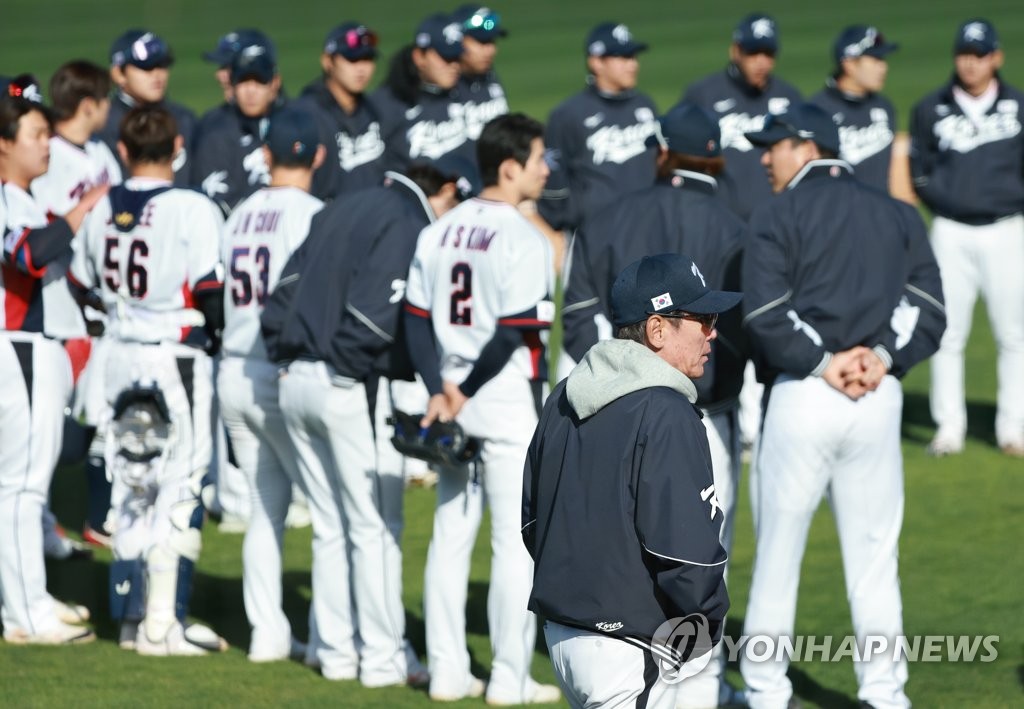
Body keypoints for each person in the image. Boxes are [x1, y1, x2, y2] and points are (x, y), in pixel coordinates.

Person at [739, 103, 946, 709]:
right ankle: (885, 695)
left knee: (777, 558)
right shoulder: (897, 213)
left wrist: (825, 362)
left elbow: (762, 314)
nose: (763, 157)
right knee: (875, 560)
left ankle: (765, 692)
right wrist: (879, 358)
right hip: (877, 398)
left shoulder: (775, 214)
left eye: (772, 146)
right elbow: (931, 308)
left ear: (806, 148)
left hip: (803, 396)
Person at [560, 101, 747, 709]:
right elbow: (749, 330)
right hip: (707, 414)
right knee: (700, 552)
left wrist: (613, 381)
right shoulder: (735, 222)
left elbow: (574, 314)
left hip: (600, 414)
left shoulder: (607, 215)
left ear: (661, 150)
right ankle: (701, 688)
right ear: (715, 154)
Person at [261, 156, 474, 685]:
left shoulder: (343, 205)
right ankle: (382, 660)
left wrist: (289, 360)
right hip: (345, 387)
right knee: (375, 527)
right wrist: (347, 370)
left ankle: (334, 653)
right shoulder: (407, 221)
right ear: (444, 189)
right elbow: (373, 318)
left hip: (294, 382)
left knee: (332, 527)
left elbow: (282, 293)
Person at [524, 253, 736, 709]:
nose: (712, 332)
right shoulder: (667, 412)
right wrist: (708, 623)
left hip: (561, 635)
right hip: (629, 648)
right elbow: (685, 554)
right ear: (658, 329)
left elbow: (532, 521)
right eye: (703, 319)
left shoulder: (565, 394)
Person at [403, 113, 560, 705]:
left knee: (450, 533)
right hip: (499, 402)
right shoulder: (524, 237)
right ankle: (508, 678)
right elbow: (512, 335)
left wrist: (439, 389)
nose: (546, 170)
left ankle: (446, 674)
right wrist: (464, 390)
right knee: (513, 544)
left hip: (448, 400)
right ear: (510, 166)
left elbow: (415, 319)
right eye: (540, 159)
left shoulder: (439, 229)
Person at [68, 105, 227, 656]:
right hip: (174, 357)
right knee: (179, 486)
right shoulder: (192, 207)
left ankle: (131, 619)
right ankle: (164, 624)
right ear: (177, 147)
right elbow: (210, 290)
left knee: (130, 487)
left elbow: (80, 284)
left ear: (124, 150)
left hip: (116, 359)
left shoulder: (100, 207)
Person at [218, 106, 324, 663]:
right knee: (331, 510)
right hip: (279, 372)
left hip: (231, 370)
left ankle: (267, 634)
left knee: (264, 509)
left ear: (266, 156)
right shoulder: (314, 213)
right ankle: (330, 641)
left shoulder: (238, 215)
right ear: (320, 157)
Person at [0, 95, 107, 645]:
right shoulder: (4, 200)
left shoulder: (21, 197)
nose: (48, 143)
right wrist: (84, 207)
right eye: (36, 133)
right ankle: (24, 616)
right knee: (20, 488)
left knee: (24, 488)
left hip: (29, 349)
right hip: (16, 347)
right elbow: (28, 256)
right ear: (3, 142)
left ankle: (31, 598)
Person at [910, 18, 1024, 457]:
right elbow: (918, 169)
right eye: (964, 55)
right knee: (947, 333)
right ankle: (949, 428)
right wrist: (945, 202)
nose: (971, 64)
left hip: (1006, 229)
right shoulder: (930, 108)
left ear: (996, 57)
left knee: (1012, 334)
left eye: (979, 56)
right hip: (951, 231)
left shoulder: (1018, 105)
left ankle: (1011, 428)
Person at [30, 60, 123, 553]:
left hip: (99, 312)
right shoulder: (50, 158)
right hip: (58, 312)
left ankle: (99, 515)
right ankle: (40, 522)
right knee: (48, 432)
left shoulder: (101, 152)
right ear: (90, 104)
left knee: (103, 415)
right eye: (105, 100)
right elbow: (45, 236)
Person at [538, 22, 658, 231]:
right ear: (596, 62)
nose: (633, 65)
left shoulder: (645, 105)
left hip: (647, 227)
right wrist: (562, 221)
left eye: (633, 57)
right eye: (622, 57)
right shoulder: (567, 114)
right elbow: (554, 180)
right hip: (595, 234)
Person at [683, 13, 803, 221]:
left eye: (768, 54)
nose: (761, 62)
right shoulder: (703, 95)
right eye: (753, 52)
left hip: (777, 222)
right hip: (719, 222)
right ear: (735, 51)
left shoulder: (790, 98)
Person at [371, 14, 473, 173]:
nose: (454, 66)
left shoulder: (463, 90)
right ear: (419, 57)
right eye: (446, 57)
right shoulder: (386, 104)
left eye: (457, 57)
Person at [296, 21, 386, 200]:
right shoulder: (306, 115)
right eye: (352, 59)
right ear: (327, 61)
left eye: (367, 59)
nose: (361, 69)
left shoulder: (374, 109)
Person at [193, 37, 284, 212]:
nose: (251, 91)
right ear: (233, 85)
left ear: (274, 83)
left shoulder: (292, 126)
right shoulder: (215, 134)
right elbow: (219, 203)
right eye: (243, 82)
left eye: (259, 81)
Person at [97, 29, 197, 188]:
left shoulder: (184, 118)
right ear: (118, 74)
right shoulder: (103, 124)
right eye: (146, 67)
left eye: (162, 65)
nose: (157, 75)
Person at [809, 25, 900, 193]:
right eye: (876, 59)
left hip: (879, 213)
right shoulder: (816, 110)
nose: (883, 67)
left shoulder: (884, 107)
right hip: (836, 214)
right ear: (849, 64)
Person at [451, 5, 510, 144]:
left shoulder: (488, 76)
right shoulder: (442, 86)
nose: (491, 50)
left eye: (492, 41)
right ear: (457, 40)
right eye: (482, 42)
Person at [202, 29, 268, 104]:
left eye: (231, 67)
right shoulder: (216, 115)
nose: (219, 76)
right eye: (222, 67)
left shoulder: (282, 115)